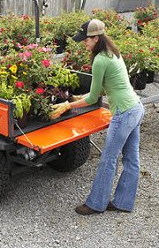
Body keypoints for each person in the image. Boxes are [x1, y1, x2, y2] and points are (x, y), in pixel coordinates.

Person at [50, 19, 145, 215]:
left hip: (124, 114)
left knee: (108, 160)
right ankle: (123, 202)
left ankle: (96, 204)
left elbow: (94, 97)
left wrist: (67, 104)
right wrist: (79, 97)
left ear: (96, 38)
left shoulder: (100, 60)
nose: (84, 43)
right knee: (131, 159)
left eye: (86, 40)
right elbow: (105, 87)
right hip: (136, 107)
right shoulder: (113, 53)